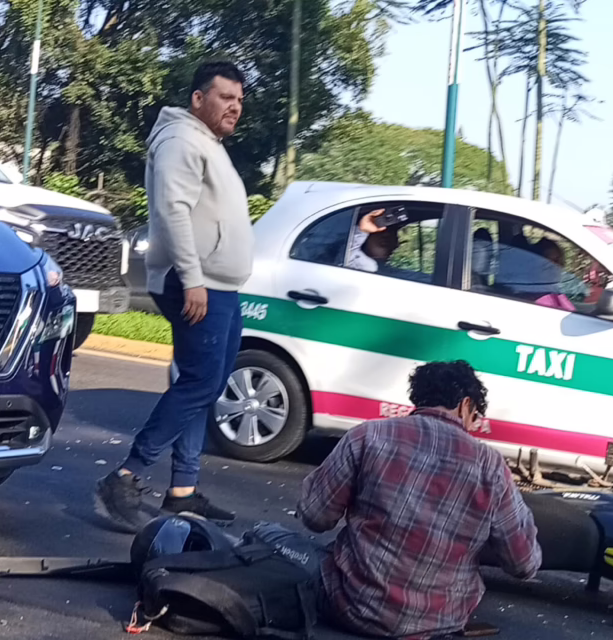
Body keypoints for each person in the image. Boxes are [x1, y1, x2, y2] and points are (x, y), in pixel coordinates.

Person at [95, 60, 254, 533]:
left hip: (219, 284)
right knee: (201, 382)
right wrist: (192, 278)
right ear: (198, 99)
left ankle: (182, 490)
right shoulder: (181, 140)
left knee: (205, 383)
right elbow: (172, 212)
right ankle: (124, 477)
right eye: (225, 97)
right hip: (194, 283)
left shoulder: (209, 144)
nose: (235, 107)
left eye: (239, 100)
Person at [297, 361, 542, 639]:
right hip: (438, 622)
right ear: (465, 405)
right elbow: (523, 564)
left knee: (280, 544)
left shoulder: (367, 437)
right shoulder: (491, 467)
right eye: (474, 416)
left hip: (350, 607)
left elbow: (315, 516)